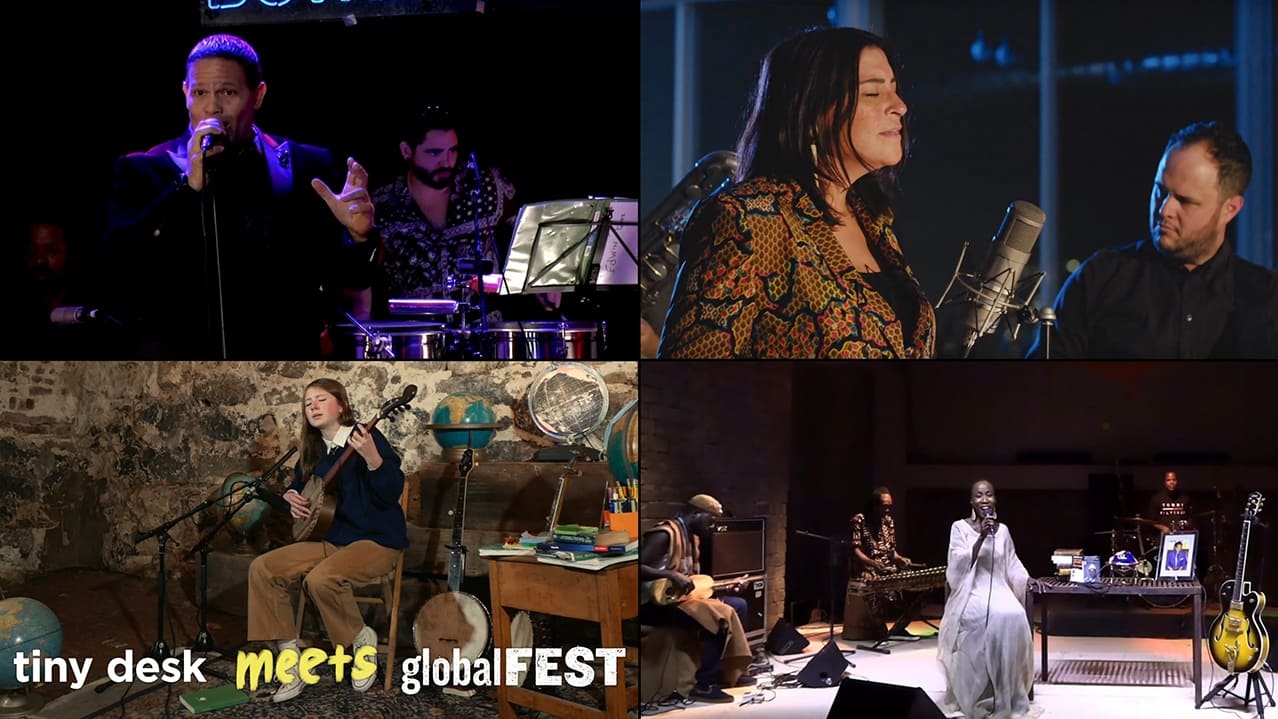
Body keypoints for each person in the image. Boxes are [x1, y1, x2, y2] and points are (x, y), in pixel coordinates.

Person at [657, 26, 935, 359]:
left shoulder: (875, 222)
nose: (900, 106)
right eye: (873, 94)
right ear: (813, 114)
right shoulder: (746, 219)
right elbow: (690, 381)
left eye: (895, 89)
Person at [100, 34, 379, 359]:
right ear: (185, 93)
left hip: (282, 367)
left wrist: (360, 238)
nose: (212, 107)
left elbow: (351, 279)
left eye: (227, 93)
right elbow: (120, 276)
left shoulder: (306, 167)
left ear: (257, 96)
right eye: (200, 92)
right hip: (180, 370)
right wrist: (187, 189)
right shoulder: (145, 171)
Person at [1027, 121, 1278, 358]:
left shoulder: (1265, 298)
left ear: (1230, 209)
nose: (1165, 209)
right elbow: (1040, 386)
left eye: (1185, 200)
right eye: (1160, 190)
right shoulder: (1099, 279)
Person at [247, 378, 407, 702]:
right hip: (332, 541)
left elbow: (391, 492)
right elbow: (299, 485)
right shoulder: (315, 452)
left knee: (321, 580)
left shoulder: (367, 437)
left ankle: (361, 640)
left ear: (342, 406)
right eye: (308, 403)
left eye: (321, 400)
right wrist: (291, 495)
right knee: (263, 568)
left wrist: (374, 460)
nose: (313, 407)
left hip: (376, 541)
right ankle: (290, 663)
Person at [639, 494, 754, 704]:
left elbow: (693, 583)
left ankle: (727, 672)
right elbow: (637, 568)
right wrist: (670, 575)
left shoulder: (692, 538)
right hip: (653, 605)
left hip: (680, 599)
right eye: (709, 520)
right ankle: (703, 684)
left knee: (739, 605)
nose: (711, 526)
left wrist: (728, 587)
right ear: (694, 514)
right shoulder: (664, 534)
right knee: (719, 616)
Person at [939, 479, 1036, 719]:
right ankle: (982, 692)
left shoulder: (1002, 530)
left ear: (995, 499)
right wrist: (980, 537)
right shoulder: (959, 528)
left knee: (1013, 615)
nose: (985, 500)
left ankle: (1008, 690)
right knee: (995, 617)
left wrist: (1027, 580)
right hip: (972, 591)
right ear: (971, 501)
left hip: (1000, 589)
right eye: (979, 495)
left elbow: (1012, 563)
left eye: (989, 495)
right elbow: (957, 566)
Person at [1147, 470, 1193, 535]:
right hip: (1162, 535)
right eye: (1168, 480)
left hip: (1181, 534)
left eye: (1174, 480)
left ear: (1177, 481)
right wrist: (1162, 528)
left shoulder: (1185, 498)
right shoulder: (1156, 498)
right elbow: (1151, 521)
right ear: (1164, 482)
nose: (1171, 482)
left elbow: (1189, 518)